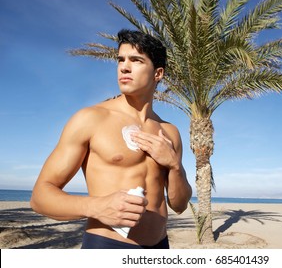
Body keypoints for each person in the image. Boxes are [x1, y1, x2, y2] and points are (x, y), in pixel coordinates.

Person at [30, 29, 192, 249]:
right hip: (106, 245)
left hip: (160, 245)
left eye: (136, 60)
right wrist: (95, 207)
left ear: (158, 73)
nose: (124, 67)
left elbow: (180, 205)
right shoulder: (91, 119)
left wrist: (174, 166)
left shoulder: (169, 132)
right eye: (120, 60)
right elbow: (40, 197)